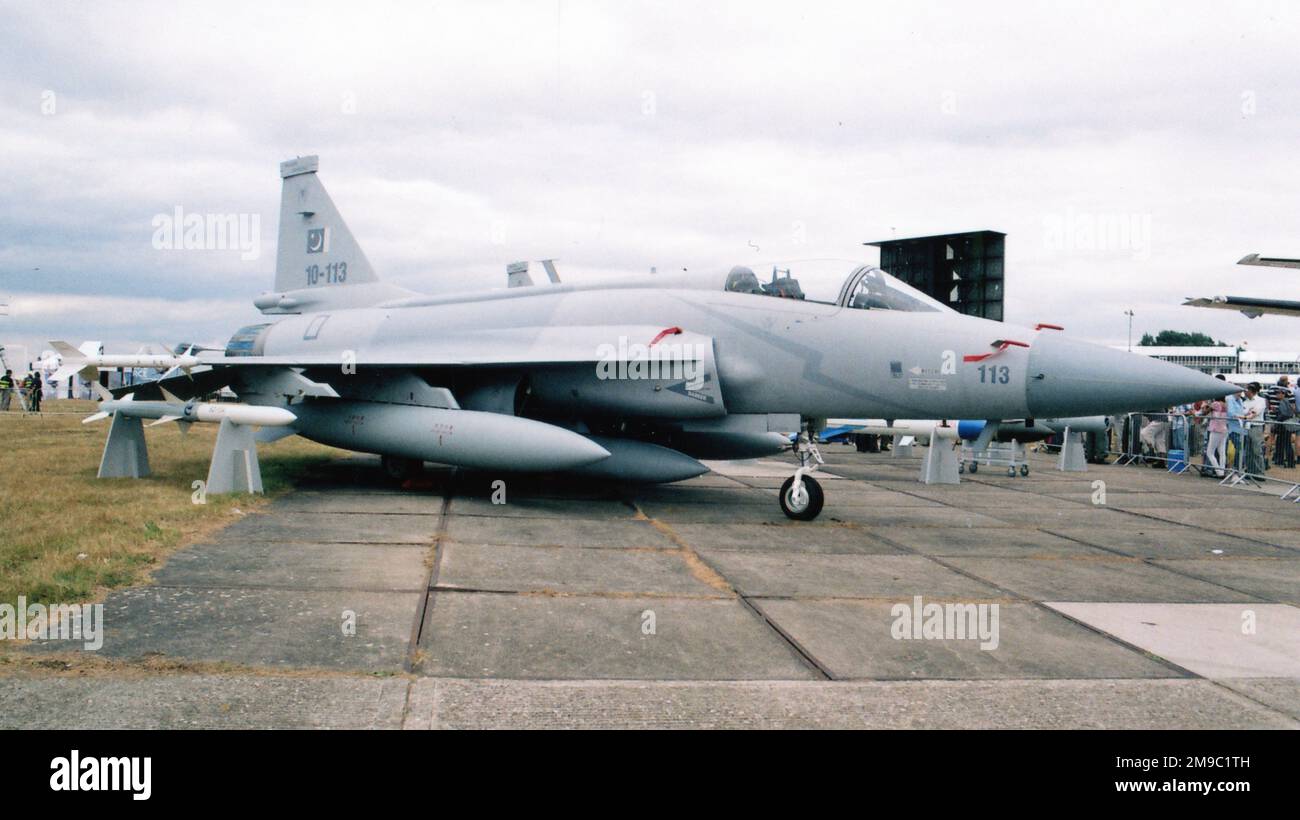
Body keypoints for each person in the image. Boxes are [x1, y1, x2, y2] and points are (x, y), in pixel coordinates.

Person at [1241, 382, 1269, 475]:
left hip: (1256, 426)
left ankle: (1260, 473)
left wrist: (1246, 415)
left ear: (1251, 391)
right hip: (1246, 427)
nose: (1244, 391)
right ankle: (1250, 471)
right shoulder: (1244, 402)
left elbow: (1254, 412)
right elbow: (1244, 413)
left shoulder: (1261, 400)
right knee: (1248, 451)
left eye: (1246, 390)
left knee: (1256, 450)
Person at [1203, 395, 1228, 477]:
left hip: (1215, 429)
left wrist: (1205, 406)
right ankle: (1222, 471)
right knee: (1222, 452)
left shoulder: (1216, 403)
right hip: (1224, 429)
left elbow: (1205, 412)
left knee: (1210, 452)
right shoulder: (1225, 404)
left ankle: (1218, 471)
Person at [1225, 382, 1246, 471]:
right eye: (1238, 391)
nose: (1240, 393)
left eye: (1241, 391)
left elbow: (1242, 412)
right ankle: (1236, 468)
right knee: (1240, 448)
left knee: (1241, 449)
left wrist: (1246, 414)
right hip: (1232, 428)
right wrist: (1243, 416)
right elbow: (1231, 413)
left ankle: (1238, 468)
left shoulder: (1240, 400)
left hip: (1241, 429)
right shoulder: (1229, 399)